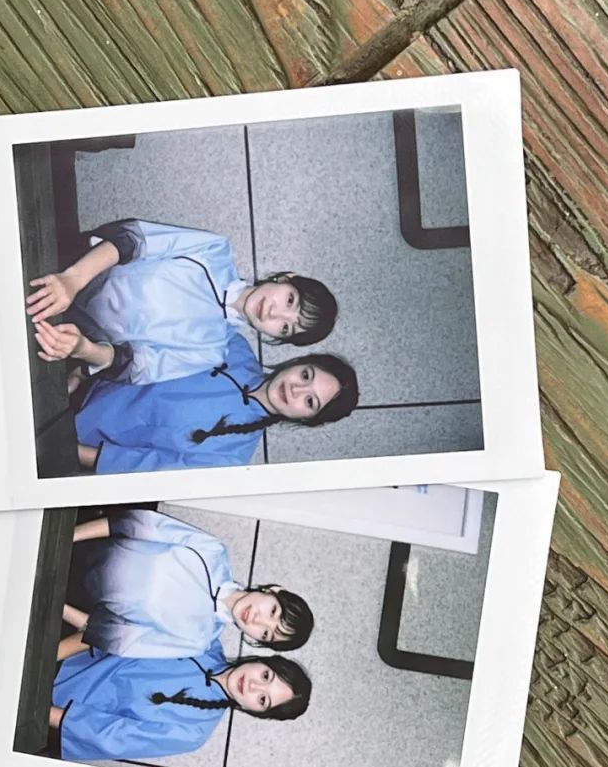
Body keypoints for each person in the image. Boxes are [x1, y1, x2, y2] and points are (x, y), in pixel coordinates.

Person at [26, 217, 338, 388]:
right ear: (285, 278)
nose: (274, 313)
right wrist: (72, 280)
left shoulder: (211, 351)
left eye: (284, 328)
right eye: (290, 300)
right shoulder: (214, 252)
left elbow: (134, 366)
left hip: (71, 333)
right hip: (66, 266)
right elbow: (132, 240)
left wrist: (83, 349)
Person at [72, 328, 359, 474]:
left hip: (70, 440)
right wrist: (79, 372)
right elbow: (144, 337)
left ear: (306, 419)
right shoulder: (232, 344)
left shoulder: (230, 458)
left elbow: (146, 467)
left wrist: (66, 451)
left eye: (310, 401)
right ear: (298, 362)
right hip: (76, 369)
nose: (296, 389)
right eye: (306, 375)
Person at [61, 508, 313, 661]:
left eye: (266, 634)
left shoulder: (196, 641)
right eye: (272, 612)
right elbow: (131, 525)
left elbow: (119, 638)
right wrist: (63, 540)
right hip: (76, 543)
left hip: (67, 600)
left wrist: (58, 605)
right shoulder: (212, 552)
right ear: (274, 591)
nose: (258, 621)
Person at [50, 642, 312, 762]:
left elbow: (110, 736)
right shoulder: (205, 640)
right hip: (64, 648)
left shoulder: (194, 733)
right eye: (266, 676)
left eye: (263, 699)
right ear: (262, 661)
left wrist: (40, 708)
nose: (253, 686)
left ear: (255, 711)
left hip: (50, 708)